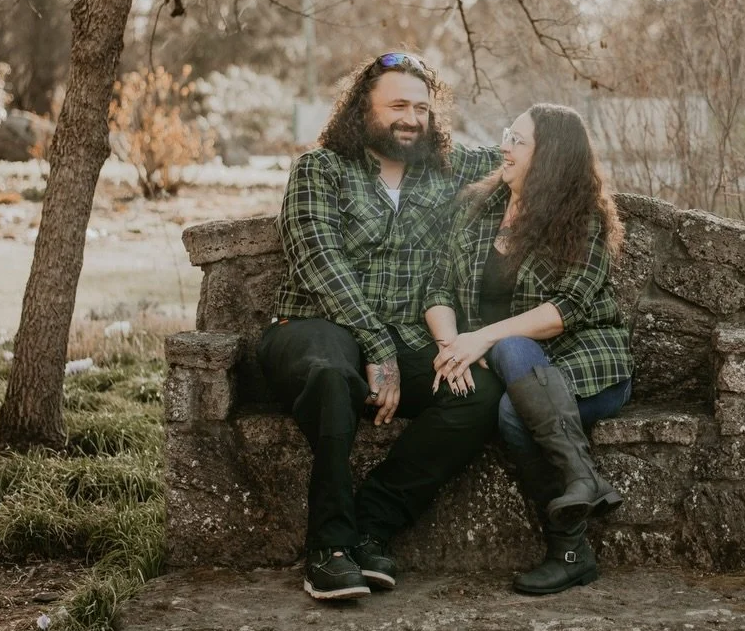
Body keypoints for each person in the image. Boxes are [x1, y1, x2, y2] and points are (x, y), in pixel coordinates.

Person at [257, 51, 502, 601]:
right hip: (311, 326)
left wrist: (557, 144)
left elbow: (519, 157)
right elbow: (320, 262)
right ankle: (330, 547)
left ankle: (372, 523)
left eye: (422, 107)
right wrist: (376, 346)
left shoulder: (447, 170)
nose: (411, 118)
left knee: (478, 390)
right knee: (330, 375)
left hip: (404, 339)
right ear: (361, 109)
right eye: (397, 105)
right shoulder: (320, 169)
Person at [426, 103, 632, 595]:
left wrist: (482, 338)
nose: (505, 147)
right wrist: (452, 344)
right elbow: (438, 287)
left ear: (551, 157)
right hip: (506, 359)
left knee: (513, 410)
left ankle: (569, 550)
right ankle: (585, 482)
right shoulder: (479, 209)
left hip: (587, 362)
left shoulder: (584, 221)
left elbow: (566, 309)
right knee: (512, 353)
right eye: (506, 135)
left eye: (517, 140)